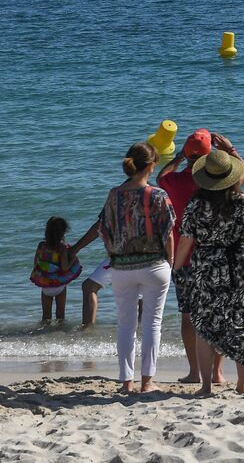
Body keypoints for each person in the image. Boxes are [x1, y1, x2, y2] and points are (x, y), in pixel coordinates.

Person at [173, 147, 244, 396]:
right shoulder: (241, 202)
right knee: (240, 323)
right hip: (237, 265)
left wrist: (177, 267)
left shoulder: (196, 204)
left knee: (205, 326)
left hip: (205, 266)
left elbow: (186, 240)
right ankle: (242, 384)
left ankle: (206, 386)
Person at [159, 128, 237, 384]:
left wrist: (179, 156)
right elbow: (243, 175)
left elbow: (161, 176)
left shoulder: (175, 182)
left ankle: (195, 371)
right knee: (218, 313)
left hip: (184, 258)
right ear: (209, 155)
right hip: (216, 256)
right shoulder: (219, 182)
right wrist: (229, 151)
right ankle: (217, 372)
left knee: (188, 315)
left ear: (187, 154)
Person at [98, 142, 176, 393]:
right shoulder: (158, 195)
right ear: (152, 165)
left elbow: (104, 229)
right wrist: (171, 261)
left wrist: (113, 254)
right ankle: (147, 382)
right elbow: (168, 232)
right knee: (152, 323)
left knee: (125, 325)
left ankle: (125, 382)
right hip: (154, 265)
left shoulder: (114, 195)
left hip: (122, 266)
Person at [30, 217, 81, 326]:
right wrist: (72, 259)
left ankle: (43, 333)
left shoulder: (41, 245)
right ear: (63, 232)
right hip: (59, 285)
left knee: (46, 316)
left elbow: (36, 263)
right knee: (60, 315)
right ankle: (59, 333)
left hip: (45, 285)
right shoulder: (62, 248)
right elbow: (65, 267)